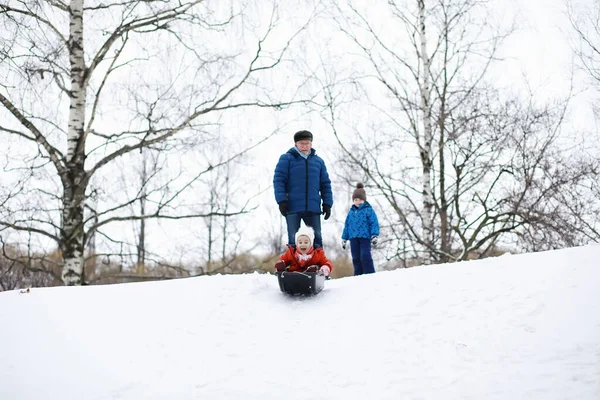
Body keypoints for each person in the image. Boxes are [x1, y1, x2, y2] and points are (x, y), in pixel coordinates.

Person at [273, 130, 333, 249]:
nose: (305, 146)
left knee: (317, 238)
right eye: (302, 144)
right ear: (296, 144)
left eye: (307, 143)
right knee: (294, 239)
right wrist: (281, 201)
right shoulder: (286, 159)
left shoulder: (318, 162)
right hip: (292, 206)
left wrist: (327, 203)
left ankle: (317, 266)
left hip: (313, 207)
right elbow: (279, 180)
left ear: (311, 144)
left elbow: (325, 184)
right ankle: (294, 266)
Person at [341, 183, 380, 275]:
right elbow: (347, 225)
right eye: (355, 199)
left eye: (360, 199)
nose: (358, 201)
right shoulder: (351, 212)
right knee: (355, 258)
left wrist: (374, 235)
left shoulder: (368, 210)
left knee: (365, 255)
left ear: (364, 200)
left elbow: (373, 222)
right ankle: (358, 275)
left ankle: (370, 274)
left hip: (365, 237)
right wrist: (344, 238)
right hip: (353, 238)